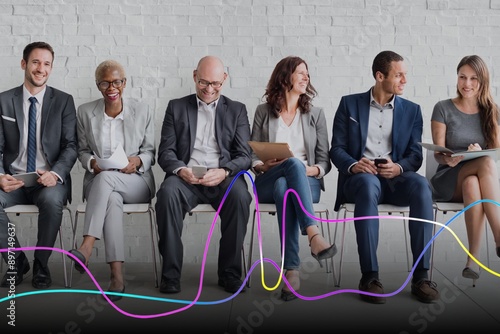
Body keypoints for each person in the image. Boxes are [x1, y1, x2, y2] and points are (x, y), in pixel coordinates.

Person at [330, 50, 439, 304]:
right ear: (380, 76)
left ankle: (421, 277)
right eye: (398, 75)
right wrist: (355, 164)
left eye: (405, 75)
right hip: (361, 178)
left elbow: (415, 155)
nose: (404, 80)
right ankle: (370, 276)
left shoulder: (412, 111)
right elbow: (336, 148)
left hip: (396, 178)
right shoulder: (349, 104)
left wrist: (399, 167)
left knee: (422, 185)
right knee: (368, 185)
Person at [155, 55, 252, 294]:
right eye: (204, 83)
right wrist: (181, 169)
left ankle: (229, 274)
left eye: (216, 84)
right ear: (194, 76)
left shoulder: (237, 110)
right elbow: (165, 152)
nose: (209, 89)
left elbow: (245, 155)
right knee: (166, 195)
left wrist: (225, 171)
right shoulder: (176, 107)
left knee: (240, 197)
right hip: (185, 177)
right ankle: (170, 275)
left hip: (223, 176)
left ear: (224, 79)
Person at [67, 60, 156, 301]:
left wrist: (136, 161)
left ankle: (85, 247)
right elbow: (83, 151)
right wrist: (92, 163)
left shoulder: (143, 110)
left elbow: (150, 152)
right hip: (101, 185)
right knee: (112, 199)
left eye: (117, 81)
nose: (111, 87)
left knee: (107, 181)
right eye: (105, 82)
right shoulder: (85, 112)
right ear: (98, 85)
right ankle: (117, 277)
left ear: (124, 83)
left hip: (136, 182)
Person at [250, 56, 336, 301]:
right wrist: (262, 165)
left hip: (306, 182)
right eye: (300, 72)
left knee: (285, 186)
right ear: (284, 76)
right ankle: (313, 234)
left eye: (307, 73)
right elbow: (250, 154)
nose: (305, 77)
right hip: (268, 177)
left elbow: (324, 162)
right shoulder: (263, 112)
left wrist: (307, 169)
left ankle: (292, 269)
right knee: (283, 176)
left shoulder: (315, 115)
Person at [0, 41, 77, 289]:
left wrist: (55, 174)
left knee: (53, 201)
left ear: (51, 68)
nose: (40, 68)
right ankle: (16, 261)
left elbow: (71, 145)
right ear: (24, 64)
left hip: (48, 181)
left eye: (46, 64)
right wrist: (0, 175)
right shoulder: (3, 101)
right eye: (35, 62)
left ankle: (41, 265)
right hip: (14, 180)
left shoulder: (64, 101)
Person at [429, 55, 500, 286]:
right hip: (448, 178)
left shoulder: (492, 110)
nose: (466, 84)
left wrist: (479, 151)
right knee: (486, 165)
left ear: (483, 81)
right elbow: (438, 153)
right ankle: (499, 237)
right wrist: (448, 159)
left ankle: (473, 260)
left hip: (476, 181)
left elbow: (497, 152)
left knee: (474, 180)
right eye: (462, 77)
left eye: (473, 78)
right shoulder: (443, 108)